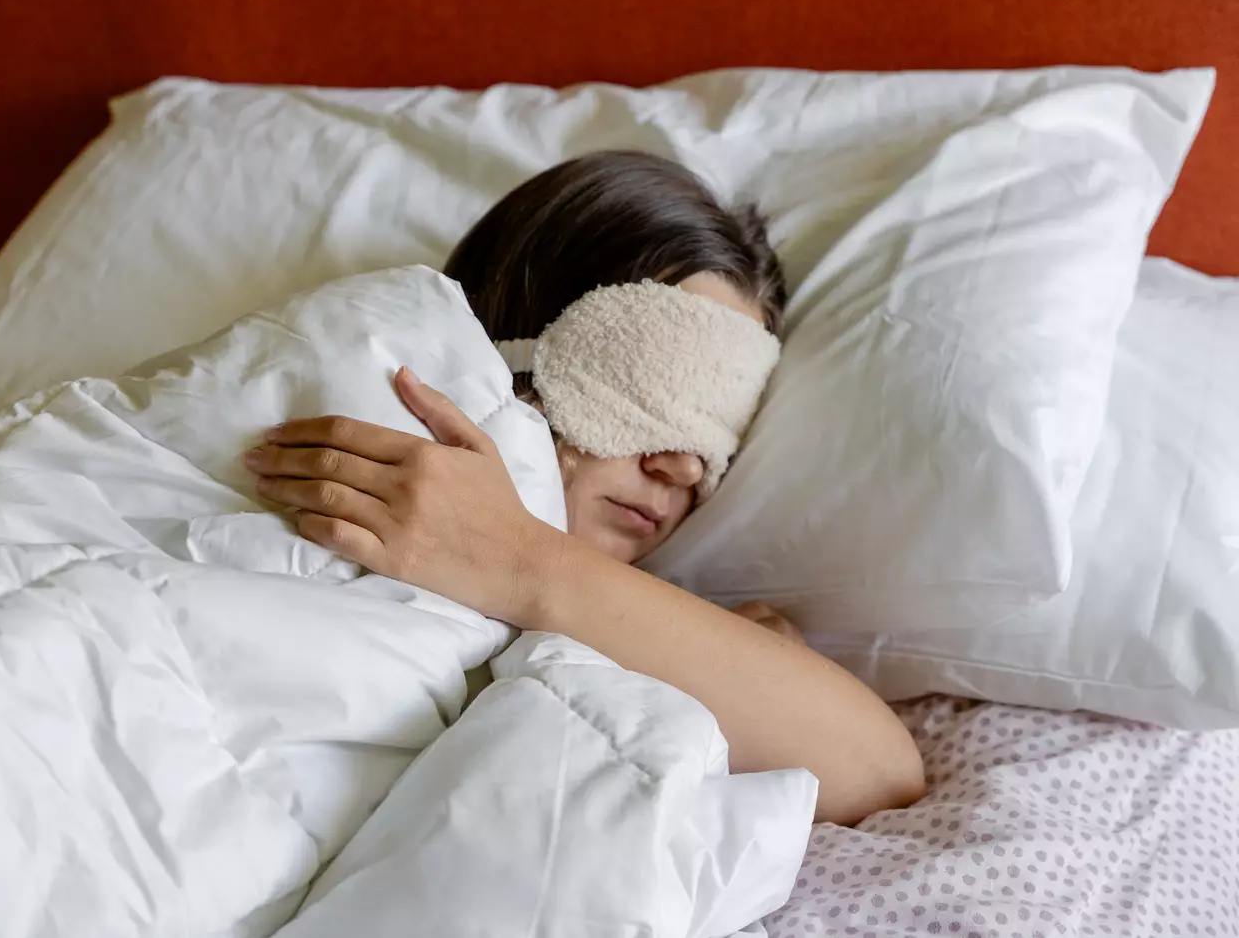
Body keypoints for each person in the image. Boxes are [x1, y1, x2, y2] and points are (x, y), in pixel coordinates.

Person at [243, 151, 925, 826]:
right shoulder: (317, 423)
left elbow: (881, 777)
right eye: (656, 384)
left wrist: (517, 560)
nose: (683, 468)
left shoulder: (619, 616)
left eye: (720, 429)